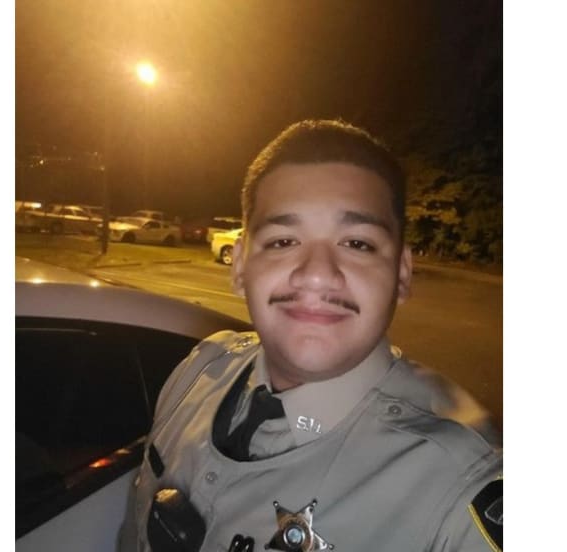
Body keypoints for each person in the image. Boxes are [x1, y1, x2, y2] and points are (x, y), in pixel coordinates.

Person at [119, 120, 502, 552]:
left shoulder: (460, 485)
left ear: (401, 273)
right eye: (283, 241)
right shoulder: (198, 371)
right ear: (240, 265)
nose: (317, 274)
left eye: (357, 244)